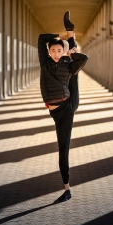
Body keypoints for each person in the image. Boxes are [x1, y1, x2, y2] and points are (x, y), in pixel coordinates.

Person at [38, 11, 88, 203]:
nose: (57, 54)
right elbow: (42, 38)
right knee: (73, 76)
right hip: (55, 109)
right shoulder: (45, 64)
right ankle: (69, 30)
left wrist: (70, 51)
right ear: (49, 52)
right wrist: (60, 39)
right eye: (53, 51)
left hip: (67, 107)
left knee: (63, 147)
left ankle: (67, 188)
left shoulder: (67, 62)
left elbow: (84, 60)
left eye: (59, 51)